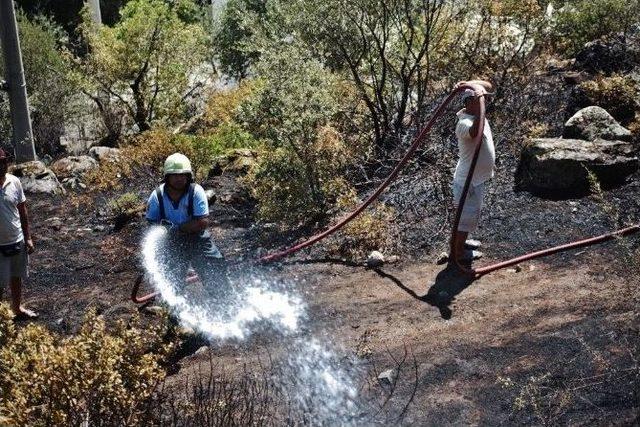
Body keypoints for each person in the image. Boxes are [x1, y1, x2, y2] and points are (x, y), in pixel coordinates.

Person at [146, 153, 232, 305]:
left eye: (183, 175)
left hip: (197, 239)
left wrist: (176, 230)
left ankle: (226, 304)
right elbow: (151, 224)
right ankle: (174, 314)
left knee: (215, 270)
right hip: (171, 244)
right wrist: (163, 234)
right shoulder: (157, 196)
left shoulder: (196, 191)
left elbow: (202, 222)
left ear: (188, 176)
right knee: (171, 282)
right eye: (175, 175)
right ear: (167, 176)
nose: (179, 179)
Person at [451, 79, 495, 265]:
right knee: (464, 219)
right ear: (469, 103)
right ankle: (458, 253)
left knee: (469, 217)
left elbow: (489, 85)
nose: (485, 101)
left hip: (476, 180)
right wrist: (479, 106)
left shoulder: (479, 114)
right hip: (467, 183)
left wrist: (469, 83)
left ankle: (463, 244)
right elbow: (474, 132)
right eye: (480, 99)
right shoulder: (464, 123)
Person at [0, 148, 38, 320]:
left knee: (16, 277)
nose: (2, 165)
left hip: (16, 239)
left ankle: (16, 309)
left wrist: (28, 237)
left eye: (3, 161)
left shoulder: (14, 182)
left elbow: (23, 211)